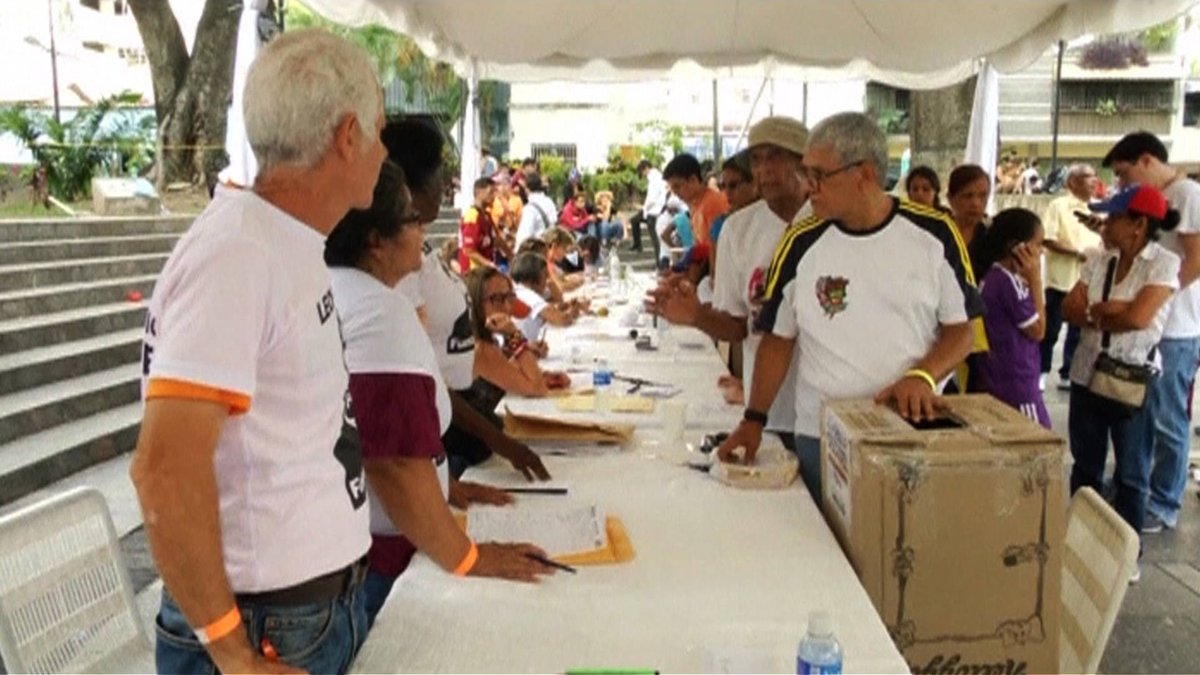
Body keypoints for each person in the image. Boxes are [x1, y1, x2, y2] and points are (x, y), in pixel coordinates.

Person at [131, 29, 386, 674]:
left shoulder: (281, 243)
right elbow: (163, 467)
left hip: (304, 617)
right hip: (264, 629)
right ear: (348, 136)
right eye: (380, 133)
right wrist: (232, 654)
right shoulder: (239, 254)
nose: (385, 153)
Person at [325, 162, 555, 627]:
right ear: (376, 239)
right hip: (384, 554)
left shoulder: (348, 293)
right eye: (411, 219)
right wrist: (468, 557)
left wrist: (444, 485)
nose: (423, 229)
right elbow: (389, 458)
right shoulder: (378, 310)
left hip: (378, 536)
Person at [715, 112, 981, 500]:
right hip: (819, 433)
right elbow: (778, 339)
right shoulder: (800, 242)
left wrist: (923, 376)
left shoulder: (935, 233)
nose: (810, 188)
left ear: (865, 174)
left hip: (908, 429)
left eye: (820, 176)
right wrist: (754, 418)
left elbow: (962, 330)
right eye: (807, 174)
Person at [383, 119, 550, 482]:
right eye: (440, 174)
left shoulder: (420, 248)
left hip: (458, 428)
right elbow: (420, 376)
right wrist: (498, 440)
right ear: (417, 184)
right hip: (443, 437)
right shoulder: (400, 260)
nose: (445, 185)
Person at [650, 116, 811, 451]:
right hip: (770, 412)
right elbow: (736, 326)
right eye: (757, 160)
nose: (764, 169)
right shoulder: (738, 230)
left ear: (804, 162)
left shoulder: (828, 220)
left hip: (828, 409)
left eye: (775, 157)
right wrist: (694, 315)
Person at [1062, 184, 1180, 562]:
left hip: (1132, 380)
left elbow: (1139, 318)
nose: (1106, 224)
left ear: (1138, 224)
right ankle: (1081, 543)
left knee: (1132, 472)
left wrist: (1103, 311)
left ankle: (1127, 556)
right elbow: (1070, 310)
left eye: (1114, 217)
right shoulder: (1098, 257)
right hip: (1086, 375)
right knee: (1086, 467)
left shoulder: (1163, 263)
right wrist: (1107, 310)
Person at [1102, 132, 1200, 533]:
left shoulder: (1187, 194)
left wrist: (1158, 298)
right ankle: (1139, 487)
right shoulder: (1162, 199)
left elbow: (1195, 258)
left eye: (1125, 176)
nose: (1124, 186)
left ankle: (1164, 501)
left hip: (1175, 327)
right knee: (1141, 413)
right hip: (1151, 324)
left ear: (1146, 161)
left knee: (1168, 418)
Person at [972, 208, 1050, 427]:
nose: (1040, 252)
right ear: (1017, 247)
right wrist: (1035, 280)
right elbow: (1038, 330)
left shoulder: (992, 277)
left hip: (998, 378)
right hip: (1018, 383)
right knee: (1037, 440)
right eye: (1037, 245)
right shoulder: (1009, 283)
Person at [1041, 164, 1102, 392]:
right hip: (1061, 279)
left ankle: (1068, 372)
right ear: (1073, 181)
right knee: (1051, 330)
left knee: (1078, 331)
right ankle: (1042, 370)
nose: (1094, 180)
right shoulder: (1059, 206)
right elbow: (1048, 238)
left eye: (1094, 176)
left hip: (1088, 281)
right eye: (1088, 176)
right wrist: (1076, 253)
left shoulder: (1098, 209)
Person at [468, 266, 571, 397]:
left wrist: (526, 352)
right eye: (497, 299)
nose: (507, 306)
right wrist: (514, 336)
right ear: (476, 303)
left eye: (509, 296)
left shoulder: (489, 340)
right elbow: (537, 389)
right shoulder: (480, 350)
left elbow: (506, 370)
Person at [663, 152, 729, 248]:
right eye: (673, 188)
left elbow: (719, 248)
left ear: (693, 180)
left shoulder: (713, 203)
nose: (675, 193)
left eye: (677, 186)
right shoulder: (695, 206)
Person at [511, 251, 580, 342]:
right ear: (534, 276)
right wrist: (572, 312)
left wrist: (564, 306)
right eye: (545, 275)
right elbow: (561, 320)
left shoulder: (519, 291)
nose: (547, 279)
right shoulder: (527, 295)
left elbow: (549, 307)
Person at [459, 177, 506, 271]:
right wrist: (488, 264)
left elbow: (497, 239)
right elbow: (469, 250)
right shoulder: (472, 216)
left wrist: (510, 254)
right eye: (491, 192)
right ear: (479, 192)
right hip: (473, 273)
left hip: (485, 271)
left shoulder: (487, 215)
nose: (494, 196)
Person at [711, 150, 758, 245]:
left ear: (754, 183)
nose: (727, 192)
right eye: (723, 186)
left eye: (733, 185)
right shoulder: (721, 224)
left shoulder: (775, 218)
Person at [633, 159, 668, 256]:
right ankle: (637, 244)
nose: (643, 175)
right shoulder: (657, 177)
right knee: (634, 220)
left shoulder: (654, 178)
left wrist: (644, 207)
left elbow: (652, 198)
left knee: (655, 239)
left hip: (653, 211)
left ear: (646, 168)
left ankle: (658, 262)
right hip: (653, 210)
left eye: (642, 172)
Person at [515, 172, 557, 247]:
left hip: (536, 251)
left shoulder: (530, 209)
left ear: (527, 189)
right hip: (549, 248)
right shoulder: (550, 202)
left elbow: (523, 237)